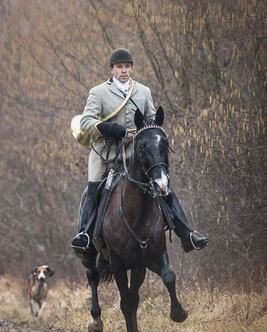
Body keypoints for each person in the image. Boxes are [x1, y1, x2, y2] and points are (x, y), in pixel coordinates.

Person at [71, 48, 208, 258]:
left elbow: (152, 120)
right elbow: (87, 121)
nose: (124, 71)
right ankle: (85, 237)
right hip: (105, 152)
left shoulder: (143, 91)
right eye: (119, 67)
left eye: (127, 66)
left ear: (132, 68)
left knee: (162, 183)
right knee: (93, 188)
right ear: (111, 69)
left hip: (134, 150)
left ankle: (186, 234)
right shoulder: (98, 92)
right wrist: (109, 128)